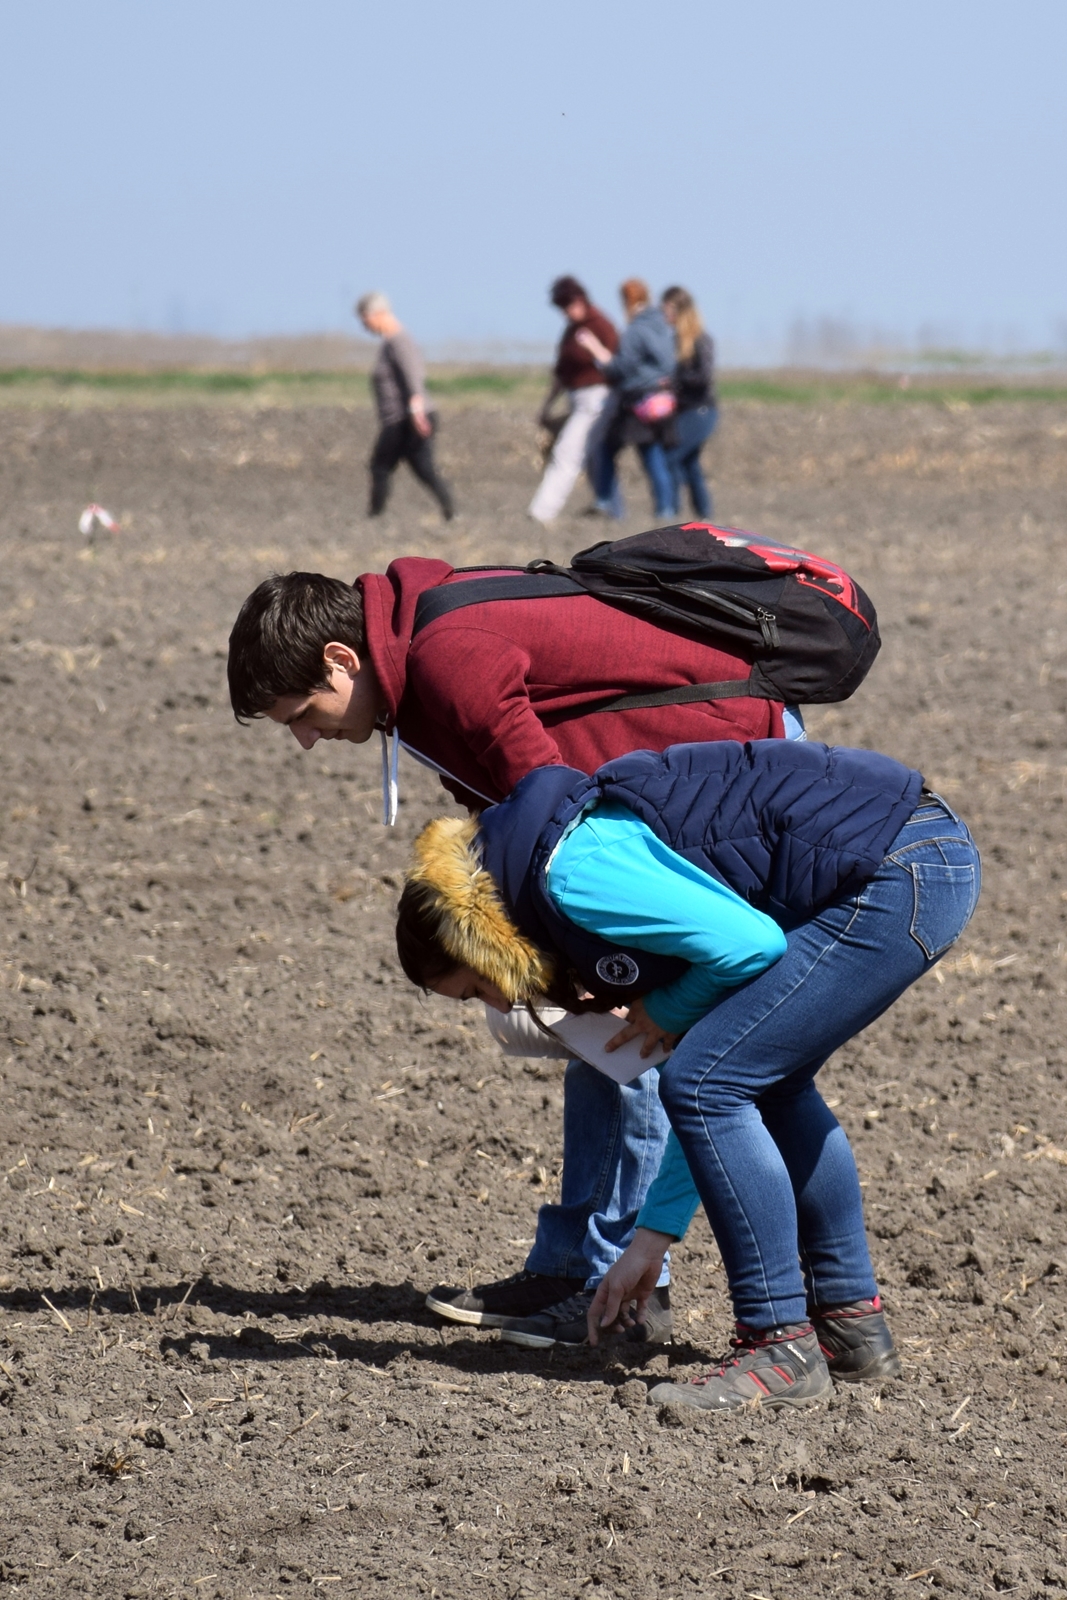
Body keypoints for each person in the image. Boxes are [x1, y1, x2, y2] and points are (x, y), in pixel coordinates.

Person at [227, 560, 793, 1347]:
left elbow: (548, 809)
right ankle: (571, 1267)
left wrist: (537, 958)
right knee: (595, 1024)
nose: (303, 739)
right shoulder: (414, 659)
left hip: (722, 782)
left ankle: (623, 1291)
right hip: (653, 794)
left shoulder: (444, 657)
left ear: (340, 659)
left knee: (631, 1028)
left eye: (301, 711)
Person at [395, 740, 980, 1407]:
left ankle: (776, 1345)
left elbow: (748, 950)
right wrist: (652, 1236)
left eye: (475, 991)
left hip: (897, 870)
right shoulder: (551, 863)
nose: (498, 1007)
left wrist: (664, 1010)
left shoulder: (572, 877)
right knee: (759, 1081)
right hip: (917, 855)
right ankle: (850, 1326)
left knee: (710, 1082)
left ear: (479, 941)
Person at [577, 279, 677, 521]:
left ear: (628, 301)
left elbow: (621, 368)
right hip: (658, 402)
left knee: (606, 448)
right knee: (652, 454)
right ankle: (666, 509)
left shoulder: (635, 330)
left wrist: (597, 352)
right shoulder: (662, 327)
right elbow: (669, 364)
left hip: (635, 402)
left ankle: (605, 502)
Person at [356, 292, 454, 521]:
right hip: (401, 418)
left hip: (405, 418)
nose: (364, 326)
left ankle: (374, 517)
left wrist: (417, 410)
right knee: (418, 466)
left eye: (365, 319)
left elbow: (414, 374)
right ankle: (450, 509)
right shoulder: (391, 342)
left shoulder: (399, 340)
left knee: (383, 465)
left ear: (378, 314)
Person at [528, 277, 618, 525]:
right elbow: (561, 373)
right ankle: (613, 508)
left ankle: (542, 511)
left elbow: (616, 365)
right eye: (562, 308)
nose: (567, 312)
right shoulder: (570, 330)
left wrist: (595, 349)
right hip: (576, 397)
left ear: (581, 300)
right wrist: (547, 405)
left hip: (598, 397)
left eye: (569, 305)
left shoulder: (601, 326)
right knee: (594, 457)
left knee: (568, 452)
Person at [661, 286, 717, 518]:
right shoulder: (676, 340)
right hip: (685, 410)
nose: (665, 316)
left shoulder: (700, 340)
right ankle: (704, 514)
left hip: (701, 411)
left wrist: (674, 382)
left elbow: (703, 377)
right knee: (690, 463)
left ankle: (670, 511)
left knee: (671, 457)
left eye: (667, 310)